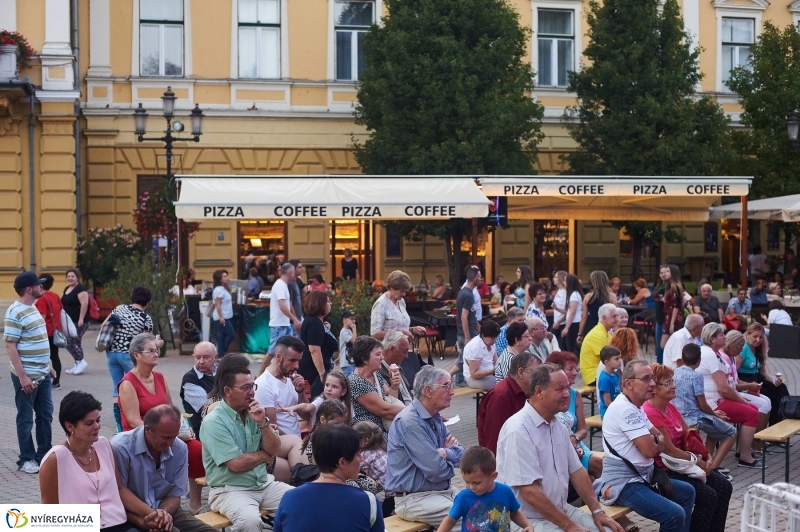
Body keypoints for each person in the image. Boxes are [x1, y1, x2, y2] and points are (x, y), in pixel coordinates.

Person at [496, 363, 624, 532]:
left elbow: (577, 471)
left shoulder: (559, 425)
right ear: (539, 391)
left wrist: (598, 511)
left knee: (608, 529)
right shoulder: (518, 430)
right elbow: (529, 491)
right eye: (560, 389)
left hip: (559, 511)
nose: (567, 394)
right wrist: (570, 526)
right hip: (525, 520)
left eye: (568, 388)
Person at [595, 360, 696, 532]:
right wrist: (655, 442)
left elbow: (658, 438)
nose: (652, 384)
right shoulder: (625, 409)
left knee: (687, 492)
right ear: (629, 384)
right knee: (674, 514)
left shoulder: (636, 407)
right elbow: (651, 450)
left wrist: (655, 441)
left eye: (653, 378)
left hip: (643, 477)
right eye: (646, 379)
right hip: (624, 483)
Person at [199, 359, 293, 532]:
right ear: (227, 391)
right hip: (229, 490)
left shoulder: (254, 412)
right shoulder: (215, 421)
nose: (251, 392)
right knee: (250, 522)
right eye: (245, 388)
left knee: (302, 503)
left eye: (252, 386)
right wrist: (263, 456)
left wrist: (263, 424)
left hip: (264, 484)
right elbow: (236, 463)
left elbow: (275, 450)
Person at [119, 333, 205, 512]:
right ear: (136, 355)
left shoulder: (159, 377)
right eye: (150, 351)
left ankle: (195, 503)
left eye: (156, 350)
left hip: (165, 432)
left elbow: (171, 409)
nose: (156, 353)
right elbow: (133, 420)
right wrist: (170, 435)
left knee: (196, 448)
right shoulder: (128, 383)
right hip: (142, 436)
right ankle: (153, 504)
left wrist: (182, 429)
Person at [643, 364, 733, 532]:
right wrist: (699, 463)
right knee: (708, 496)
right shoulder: (651, 412)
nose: (674, 386)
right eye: (668, 383)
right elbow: (668, 450)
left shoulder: (670, 406)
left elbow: (690, 435)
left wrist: (707, 457)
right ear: (654, 388)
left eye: (673, 381)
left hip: (685, 463)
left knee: (724, 487)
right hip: (667, 469)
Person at [39, 391, 146, 532]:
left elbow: (120, 489)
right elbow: (49, 510)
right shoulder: (55, 458)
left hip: (118, 523)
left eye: (98, 420)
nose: (97, 426)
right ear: (70, 426)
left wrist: (151, 513)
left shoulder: (104, 445)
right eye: (89, 423)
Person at [112, 405, 217, 532]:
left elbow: (175, 495)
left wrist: (164, 512)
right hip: (130, 512)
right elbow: (119, 493)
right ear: (148, 430)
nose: (171, 443)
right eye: (166, 437)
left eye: (175, 436)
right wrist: (153, 515)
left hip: (165, 510)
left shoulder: (180, 449)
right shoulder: (121, 447)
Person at [385, 366, 465, 527]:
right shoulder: (410, 422)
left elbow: (463, 456)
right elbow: (436, 471)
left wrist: (446, 453)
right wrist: (447, 460)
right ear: (428, 390)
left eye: (451, 386)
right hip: (413, 499)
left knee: (487, 508)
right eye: (446, 386)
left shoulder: (433, 415)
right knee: (469, 519)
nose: (452, 392)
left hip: (440, 492)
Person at [274, 424, 383, 532]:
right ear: (342, 462)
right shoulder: (368, 502)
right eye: (358, 454)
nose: (362, 458)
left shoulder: (289, 498)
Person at [6, 271, 53, 474]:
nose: (41, 287)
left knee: (45, 416)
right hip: (27, 377)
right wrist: (23, 376)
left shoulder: (32, 307)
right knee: (25, 418)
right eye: (38, 285)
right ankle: (26, 459)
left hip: (43, 375)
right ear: (29, 289)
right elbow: (10, 346)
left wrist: (48, 364)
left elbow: (38, 339)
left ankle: (44, 456)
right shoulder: (15, 312)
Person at [696, 323, 762, 467]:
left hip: (715, 399)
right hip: (713, 403)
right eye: (721, 335)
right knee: (752, 413)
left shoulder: (714, 353)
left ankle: (710, 463)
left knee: (752, 409)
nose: (724, 337)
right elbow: (724, 388)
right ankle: (744, 456)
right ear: (713, 338)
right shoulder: (709, 354)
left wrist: (741, 399)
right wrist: (742, 401)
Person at [672, 344, 737, 472]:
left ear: (683, 359)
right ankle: (713, 468)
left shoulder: (675, 372)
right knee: (732, 432)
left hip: (679, 416)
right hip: (694, 418)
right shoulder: (696, 376)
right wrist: (715, 414)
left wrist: (713, 414)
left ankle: (708, 459)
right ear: (699, 361)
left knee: (714, 428)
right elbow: (702, 405)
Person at [437, 446, 533, 532]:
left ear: (493, 476)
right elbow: (450, 520)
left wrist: (528, 525)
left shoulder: (505, 491)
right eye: (466, 481)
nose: (471, 487)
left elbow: (514, 513)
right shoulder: (463, 497)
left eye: (476, 483)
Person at [106, 286, 157, 432]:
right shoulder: (145, 318)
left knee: (117, 388)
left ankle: (119, 426)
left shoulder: (119, 308)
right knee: (138, 385)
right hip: (129, 355)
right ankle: (135, 417)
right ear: (148, 301)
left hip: (111, 352)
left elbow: (105, 324)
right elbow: (148, 341)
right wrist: (157, 343)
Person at [546, 351, 604, 480]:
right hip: (557, 445)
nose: (575, 373)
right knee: (591, 472)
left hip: (575, 443)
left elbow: (583, 429)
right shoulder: (548, 396)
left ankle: (604, 497)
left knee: (598, 464)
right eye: (570, 369)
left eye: (575, 369)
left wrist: (574, 439)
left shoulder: (575, 394)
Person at [477, 352, 538, 455]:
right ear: (521, 372)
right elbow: (494, 437)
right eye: (536, 373)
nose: (540, 377)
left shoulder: (526, 391)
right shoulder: (501, 396)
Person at [349, 336, 405, 439]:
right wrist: (416, 410)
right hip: (370, 436)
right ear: (364, 359)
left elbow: (390, 400)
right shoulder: (356, 382)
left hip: (383, 429)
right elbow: (385, 410)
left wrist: (394, 386)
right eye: (378, 354)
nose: (382, 357)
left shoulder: (375, 374)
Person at [254, 335, 307, 437]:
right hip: (282, 446)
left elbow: (306, 415)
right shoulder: (263, 385)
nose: (297, 366)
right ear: (278, 357)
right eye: (292, 360)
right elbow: (272, 429)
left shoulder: (290, 378)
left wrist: (300, 391)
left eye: (298, 361)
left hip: (296, 444)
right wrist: (296, 444)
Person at [739, 322, 790, 426]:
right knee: (769, 394)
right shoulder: (743, 349)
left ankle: (780, 422)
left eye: (761, 337)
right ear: (747, 335)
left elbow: (762, 371)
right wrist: (745, 385)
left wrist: (773, 380)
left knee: (781, 388)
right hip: (744, 380)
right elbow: (733, 372)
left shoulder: (760, 348)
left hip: (757, 377)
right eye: (755, 336)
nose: (758, 340)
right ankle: (771, 427)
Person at [262, 263, 301, 372]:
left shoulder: (284, 285)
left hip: (284, 324)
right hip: (279, 324)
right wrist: (294, 319)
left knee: (287, 350)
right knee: (272, 351)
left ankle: (284, 372)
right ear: (291, 273)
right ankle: (260, 375)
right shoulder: (280, 285)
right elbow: (282, 306)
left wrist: (295, 318)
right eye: (294, 272)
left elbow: (288, 304)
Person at [299, 290, 338, 397]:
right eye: (328, 301)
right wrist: (322, 374)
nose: (330, 304)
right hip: (314, 372)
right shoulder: (314, 323)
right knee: (315, 400)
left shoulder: (316, 322)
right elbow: (314, 350)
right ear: (320, 304)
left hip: (315, 370)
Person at [370, 270, 426, 341]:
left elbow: (398, 327)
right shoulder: (381, 304)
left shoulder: (401, 301)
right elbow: (375, 334)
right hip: (387, 349)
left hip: (401, 348)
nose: (404, 294)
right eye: (401, 291)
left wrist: (412, 330)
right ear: (391, 287)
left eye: (405, 291)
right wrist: (400, 333)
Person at [181, 341, 218, 438]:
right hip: (206, 432)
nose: (201, 361)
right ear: (193, 357)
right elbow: (209, 408)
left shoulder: (222, 373)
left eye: (206, 357)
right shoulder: (190, 379)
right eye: (198, 357)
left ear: (215, 358)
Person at [450, 267, 480, 383]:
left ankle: (452, 378)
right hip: (468, 333)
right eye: (479, 277)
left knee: (462, 358)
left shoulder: (463, 292)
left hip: (468, 331)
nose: (481, 279)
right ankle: (446, 377)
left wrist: (478, 326)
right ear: (474, 278)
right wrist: (468, 337)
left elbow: (471, 314)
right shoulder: (468, 295)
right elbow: (464, 317)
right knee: (463, 360)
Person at [34, 274, 63, 390]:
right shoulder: (55, 296)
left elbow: (42, 317)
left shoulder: (41, 298)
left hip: (45, 332)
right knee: (55, 356)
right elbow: (60, 310)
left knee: (42, 356)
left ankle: (42, 380)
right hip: (56, 330)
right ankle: (56, 381)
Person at [579, 302, 617, 385]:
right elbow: (609, 358)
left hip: (600, 370)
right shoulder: (598, 334)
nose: (617, 319)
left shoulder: (606, 332)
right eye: (614, 316)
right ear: (604, 318)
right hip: (592, 375)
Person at [61, 268, 90, 375]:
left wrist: (81, 318)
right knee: (74, 342)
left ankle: (81, 362)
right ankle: (77, 363)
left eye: (72, 276)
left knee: (71, 342)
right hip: (69, 321)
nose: (70, 278)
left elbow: (84, 304)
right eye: (68, 276)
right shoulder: (67, 289)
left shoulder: (80, 289)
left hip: (79, 321)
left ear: (77, 277)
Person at [579, 270, 615, 346]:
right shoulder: (611, 296)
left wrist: (580, 334)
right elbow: (615, 314)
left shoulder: (588, 296)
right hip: (606, 326)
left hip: (591, 326)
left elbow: (584, 317)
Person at [378, 330, 414, 404]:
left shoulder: (397, 366)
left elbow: (408, 395)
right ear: (392, 349)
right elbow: (389, 405)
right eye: (404, 351)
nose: (406, 356)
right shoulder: (378, 372)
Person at [462, 320, 500, 390]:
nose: (495, 340)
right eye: (492, 338)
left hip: (488, 375)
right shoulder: (475, 347)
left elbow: (497, 362)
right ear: (483, 335)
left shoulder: (490, 343)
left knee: (510, 381)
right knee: (503, 386)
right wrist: (492, 370)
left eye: (495, 337)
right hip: (474, 379)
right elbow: (474, 374)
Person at [210, 270, 235, 357]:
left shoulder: (223, 288)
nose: (227, 278)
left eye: (227, 276)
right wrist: (221, 317)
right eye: (224, 276)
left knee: (222, 335)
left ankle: (220, 354)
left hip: (226, 315)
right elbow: (217, 304)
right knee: (231, 334)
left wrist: (227, 284)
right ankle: (222, 349)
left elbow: (230, 290)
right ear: (219, 279)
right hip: (222, 316)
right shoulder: (218, 290)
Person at [661, 266, 686, 354]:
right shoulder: (670, 286)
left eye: (668, 271)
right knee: (669, 343)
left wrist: (672, 323)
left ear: (673, 273)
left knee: (664, 344)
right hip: (669, 315)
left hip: (672, 317)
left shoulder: (675, 287)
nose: (665, 273)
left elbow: (676, 306)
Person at [598, 346, 623, 418]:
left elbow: (621, 390)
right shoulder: (605, 379)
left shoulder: (615, 374)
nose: (620, 361)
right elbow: (608, 402)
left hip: (616, 408)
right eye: (616, 359)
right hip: (607, 411)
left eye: (620, 357)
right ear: (607, 362)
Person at [287, 259, 304, 332]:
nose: (302, 269)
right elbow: (289, 304)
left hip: (298, 317)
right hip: (292, 321)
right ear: (293, 268)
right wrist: (295, 320)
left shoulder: (296, 281)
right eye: (299, 267)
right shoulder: (289, 283)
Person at [339, 309, 357, 376]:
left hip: (351, 361)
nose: (353, 321)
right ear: (344, 320)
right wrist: (354, 329)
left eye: (354, 319)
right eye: (351, 319)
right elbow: (354, 341)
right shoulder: (344, 331)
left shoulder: (348, 330)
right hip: (347, 363)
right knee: (353, 379)